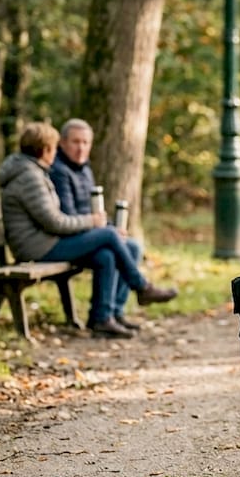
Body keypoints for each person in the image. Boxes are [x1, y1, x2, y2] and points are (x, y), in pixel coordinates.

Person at [0, 122, 177, 338]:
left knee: (105, 255)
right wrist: (93, 222)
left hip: (44, 241)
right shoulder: (29, 178)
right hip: (37, 247)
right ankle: (141, 287)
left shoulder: (34, 173)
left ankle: (102, 318)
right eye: (55, 148)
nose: (56, 154)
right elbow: (56, 222)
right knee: (109, 235)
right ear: (45, 149)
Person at [48, 118, 146, 330]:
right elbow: (68, 216)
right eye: (75, 142)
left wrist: (110, 226)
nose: (81, 147)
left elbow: (90, 211)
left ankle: (112, 313)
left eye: (85, 142)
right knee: (108, 251)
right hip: (67, 238)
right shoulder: (59, 171)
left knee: (132, 246)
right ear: (62, 143)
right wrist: (103, 229)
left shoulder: (84, 169)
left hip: (86, 233)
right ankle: (130, 295)